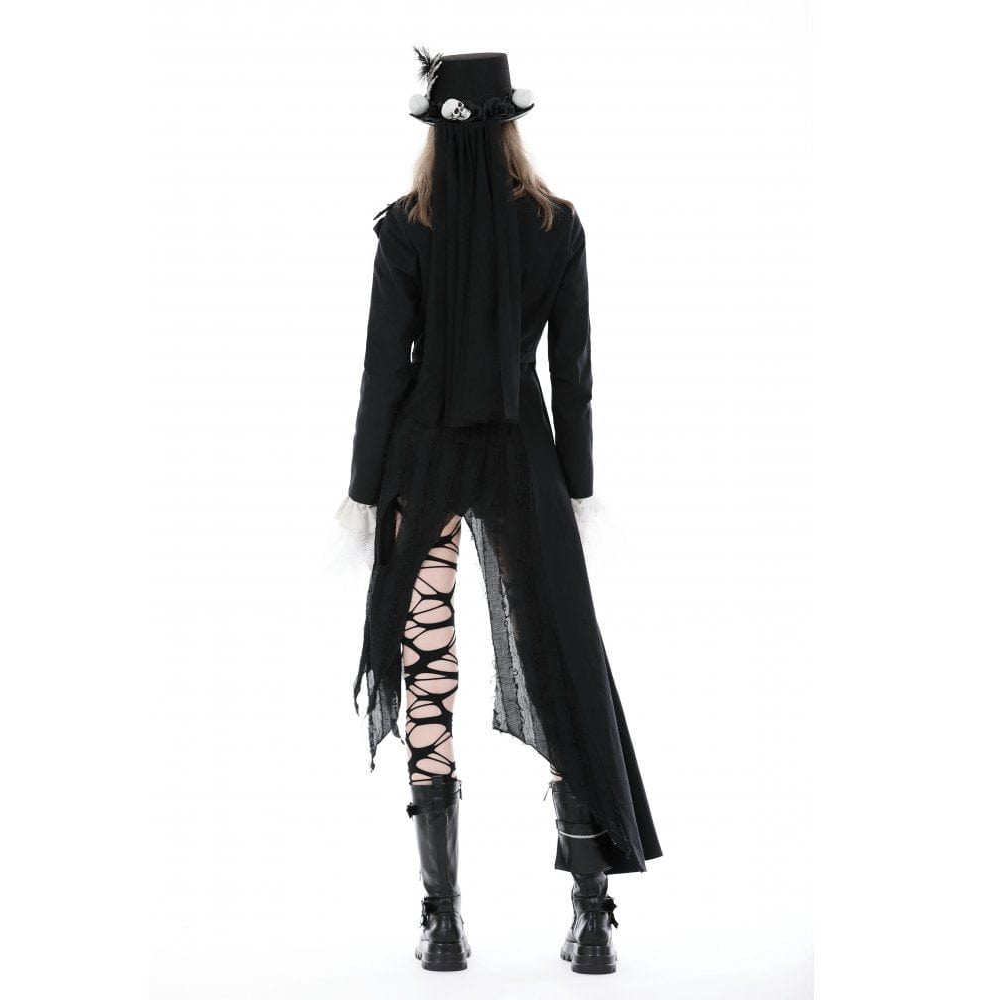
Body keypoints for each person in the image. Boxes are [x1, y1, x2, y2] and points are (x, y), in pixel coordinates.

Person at [335, 49, 662, 974]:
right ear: (511, 126)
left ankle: (441, 922)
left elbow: (382, 370)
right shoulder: (557, 225)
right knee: (555, 661)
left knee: (427, 661)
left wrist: (363, 489)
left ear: (437, 132)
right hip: (523, 457)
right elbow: (574, 372)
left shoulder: (408, 227)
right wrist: (578, 483)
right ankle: (591, 919)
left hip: (425, 459)